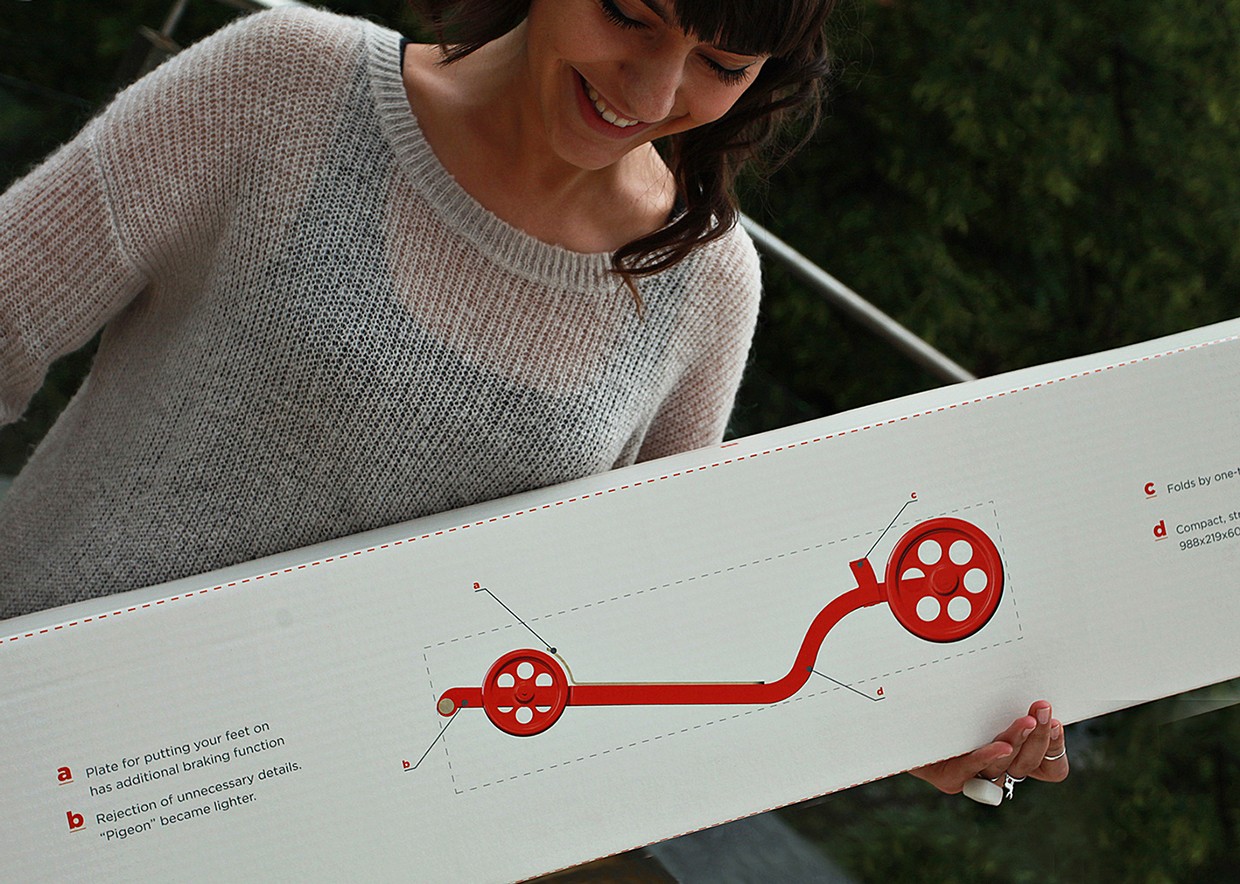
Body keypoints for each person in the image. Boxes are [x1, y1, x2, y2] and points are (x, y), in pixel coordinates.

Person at [0, 0, 1064, 798]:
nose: (653, 92)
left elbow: (663, 633)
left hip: (316, 825)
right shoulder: (285, 82)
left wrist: (899, 727)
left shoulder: (702, 286)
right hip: (34, 724)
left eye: (722, 65)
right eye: (630, 16)